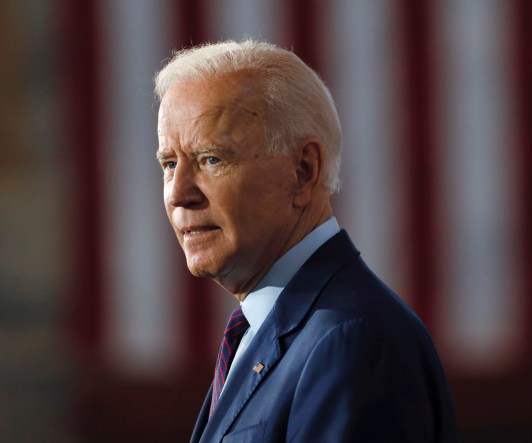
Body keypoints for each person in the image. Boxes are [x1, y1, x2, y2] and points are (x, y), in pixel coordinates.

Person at [154, 40, 457, 443]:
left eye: (212, 159)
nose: (178, 193)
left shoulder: (351, 341)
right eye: (170, 164)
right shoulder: (271, 334)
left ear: (303, 170)